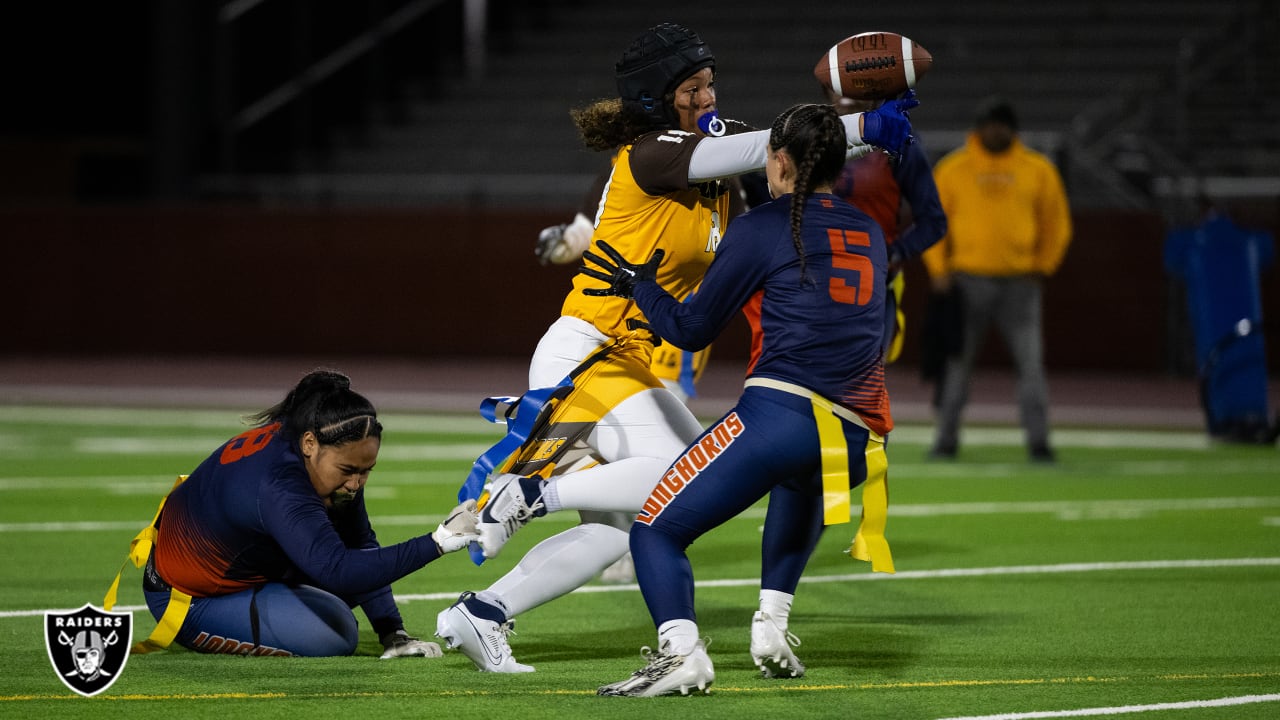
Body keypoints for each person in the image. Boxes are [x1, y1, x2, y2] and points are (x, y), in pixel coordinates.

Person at [434, 22, 915, 674]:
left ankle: (481, 612)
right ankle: (523, 494)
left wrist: (853, 142)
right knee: (675, 481)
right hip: (590, 345)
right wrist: (861, 128)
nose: (709, 97)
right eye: (693, 88)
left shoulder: (727, 166)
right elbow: (756, 148)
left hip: (636, 360)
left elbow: (786, 171)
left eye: (712, 82)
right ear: (658, 101)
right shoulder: (651, 152)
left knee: (619, 532)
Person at [581, 102, 894, 696]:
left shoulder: (765, 227)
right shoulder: (869, 229)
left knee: (654, 530)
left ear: (778, 160)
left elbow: (691, 328)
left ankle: (680, 654)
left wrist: (637, 286)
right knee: (799, 481)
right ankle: (771, 626)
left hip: (781, 416)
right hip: (858, 436)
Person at [130, 369, 480, 657]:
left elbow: (359, 543)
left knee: (347, 585)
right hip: (187, 597)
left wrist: (393, 632)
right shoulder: (281, 483)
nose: (356, 483)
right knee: (335, 635)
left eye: (366, 470)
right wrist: (438, 542)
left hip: (246, 568)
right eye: (348, 470)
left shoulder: (322, 457)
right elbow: (338, 570)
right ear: (309, 444)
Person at [921, 97, 1072, 463]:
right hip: (966, 281)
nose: (994, 132)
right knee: (957, 364)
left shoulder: (1037, 169)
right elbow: (933, 221)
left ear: (1012, 130)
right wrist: (939, 270)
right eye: (988, 125)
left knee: (1031, 364)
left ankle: (1039, 441)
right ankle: (946, 438)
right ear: (978, 129)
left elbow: (1057, 223)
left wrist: (1044, 265)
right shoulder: (954, 168)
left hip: (1021, 283)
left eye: (1001, 125)